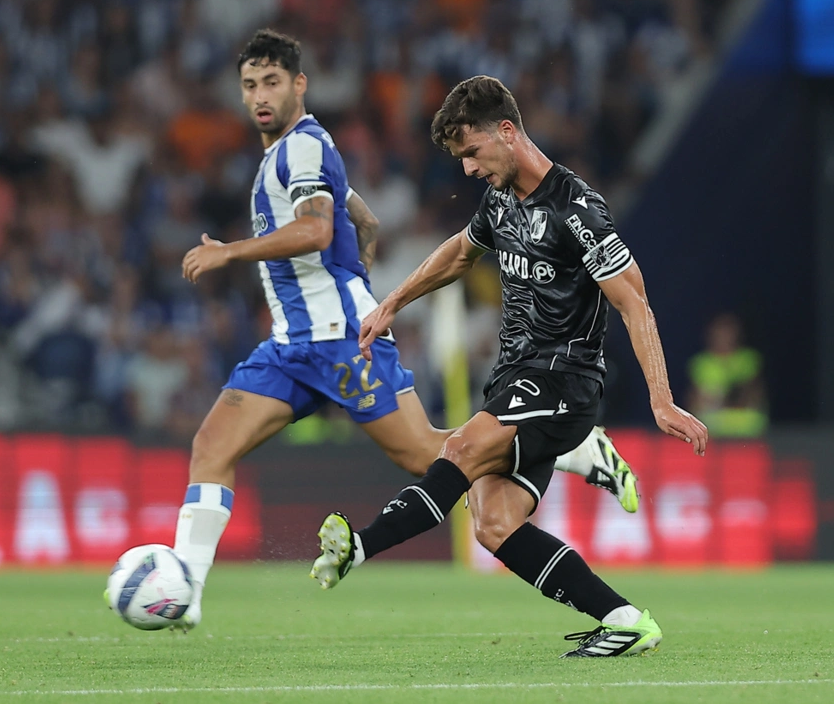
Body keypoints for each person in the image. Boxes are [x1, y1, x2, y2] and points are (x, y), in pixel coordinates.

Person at [172, 31, 639, 632]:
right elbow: (357, 215)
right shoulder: (280, 156)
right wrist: (364, 263)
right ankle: (185, 592)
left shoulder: (305, 147)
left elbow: (318, 230)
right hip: (290, 344)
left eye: (272, 82)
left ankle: (571, 446)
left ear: (299, 85)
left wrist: (237, 253)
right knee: (211, 447)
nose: (260, 96)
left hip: (341, 336)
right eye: (250, 85)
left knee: (431, 457)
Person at [310, 75, 708, 658]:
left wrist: (661, 398)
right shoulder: (500, 201)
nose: (468, 169)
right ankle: (624, 619)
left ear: (507, 131)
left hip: (563, 380)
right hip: (515, 381)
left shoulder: (577, 208)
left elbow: (632, 299)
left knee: (458, 453)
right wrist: (392, 301)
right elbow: (460, 251)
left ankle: (361, 547)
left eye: (472, 152)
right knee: (493, 523)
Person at [687, 313, 767, 438]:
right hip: (713, 422)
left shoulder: (748, 359)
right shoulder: (701, 362)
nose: (724, 337)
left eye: (728, 333)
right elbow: (695, 399)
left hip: (744, 422)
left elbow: (753, 393)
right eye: (719, 333)